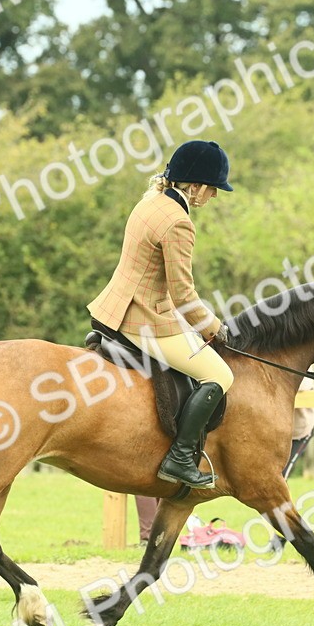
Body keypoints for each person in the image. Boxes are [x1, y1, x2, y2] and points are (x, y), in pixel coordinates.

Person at [87, 140, 235, 489]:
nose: (213, 197)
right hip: (142, 320)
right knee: (220, 375)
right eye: (212, 189)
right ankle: (181, 458)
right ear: (195, 186)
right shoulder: (178, 222)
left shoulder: (150, 202)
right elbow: (184, 295)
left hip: (113, 308)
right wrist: (215, 327)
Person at [283, 378, 314, 478]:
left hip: (300, 432)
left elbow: (300, 385)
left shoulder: (305, 373)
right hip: (278, 433)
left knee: (282, 474)